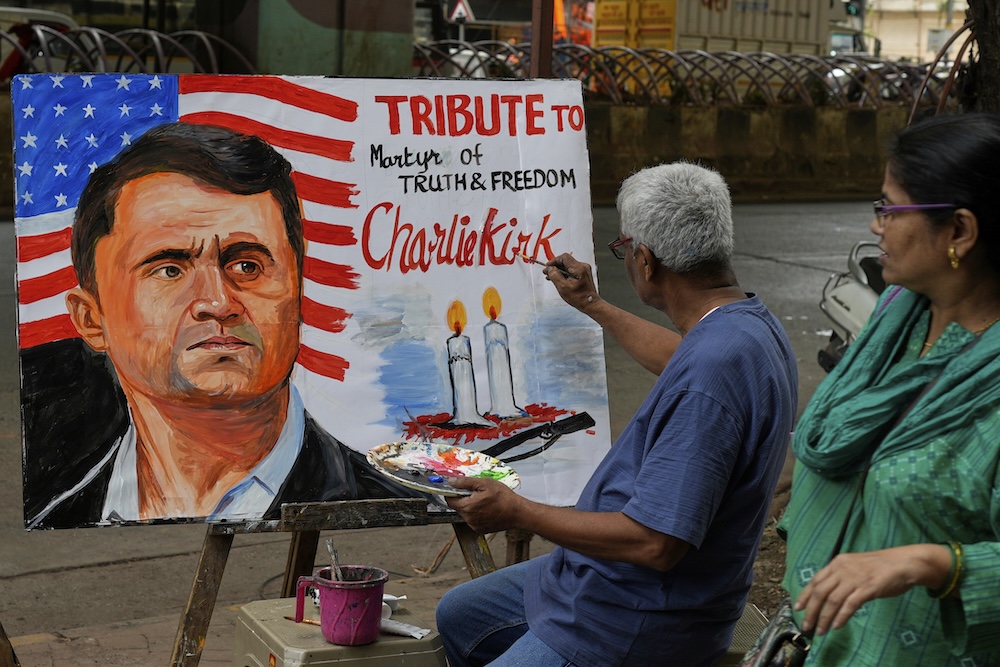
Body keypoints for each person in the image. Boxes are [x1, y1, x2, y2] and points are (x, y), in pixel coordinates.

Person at [436, 162, 798, 666]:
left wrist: (516, 512)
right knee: (460, 614)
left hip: (630, 619)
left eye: (623, 247)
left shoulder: (710, 375)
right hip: (600, 578)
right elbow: (680, 359)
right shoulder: (743, 325)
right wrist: (592, 303)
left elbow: (655, 545)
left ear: (644, 260)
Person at [22, 122, 414, 530]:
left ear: (298, 290)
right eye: (169, 269)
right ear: (91, 319)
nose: (218, 303)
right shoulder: (62, 511)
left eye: (247, 266)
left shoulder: (391, 500)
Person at [781, 112, 1000, 665]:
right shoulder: (896, 319)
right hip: (815, 642)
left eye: (890, 208)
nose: (877, 225)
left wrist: (933, 563)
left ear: (959, 231)